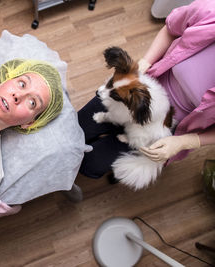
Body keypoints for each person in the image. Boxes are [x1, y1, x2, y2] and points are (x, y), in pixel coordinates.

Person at [78, 0, 215, 180]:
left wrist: (184, 142)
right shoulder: (209, 11)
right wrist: (144, 63)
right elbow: (170, 29)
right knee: (78, 127)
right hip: (145, 87)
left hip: (167, 127)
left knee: (91, 164)